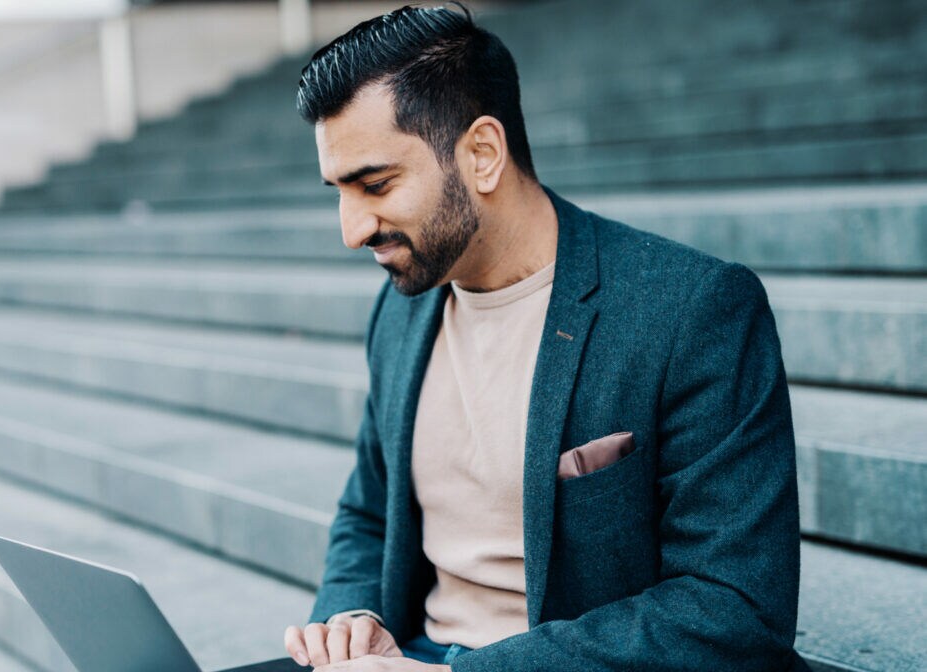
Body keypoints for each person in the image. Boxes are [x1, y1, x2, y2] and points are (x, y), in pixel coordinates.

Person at [281, 5, 810, 671]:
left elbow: (734, 608)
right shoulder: (400, 312)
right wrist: (350, 618)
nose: (351, 230)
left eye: (375, 184)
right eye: (338, 190)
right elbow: (368, 510)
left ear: (482, 153)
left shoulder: (691, 310)